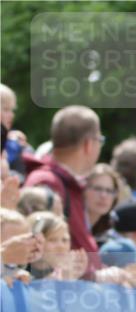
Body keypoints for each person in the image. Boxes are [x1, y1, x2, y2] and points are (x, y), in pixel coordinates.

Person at [23, 105, 104, 274]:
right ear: (89, 144)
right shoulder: (47, 183)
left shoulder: (64, 183)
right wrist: (95, 276)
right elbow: (37, 255)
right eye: (100, 140)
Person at [85, 164, 127, 245]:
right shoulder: (71, 224)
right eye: (97, 188)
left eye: (109, 191)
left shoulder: (113, 229)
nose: (103, 195)